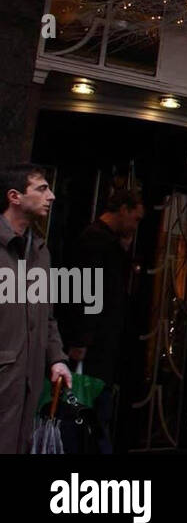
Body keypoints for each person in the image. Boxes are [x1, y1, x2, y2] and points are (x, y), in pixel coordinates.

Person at [59, 187, 145, 453]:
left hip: (100, 348)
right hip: (91, 349)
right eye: (135, 218)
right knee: (83, 417)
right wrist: (81, 339)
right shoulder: (95, 242)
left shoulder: (107, 242)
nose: (135, 226)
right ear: (123, 210)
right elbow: (87, 291)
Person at [0, 164, 72, 454]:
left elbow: (48, 316)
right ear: (15, 196)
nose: (51, 196)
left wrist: (56, 357)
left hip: (27, 381)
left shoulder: (40, 251)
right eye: (41, 189)